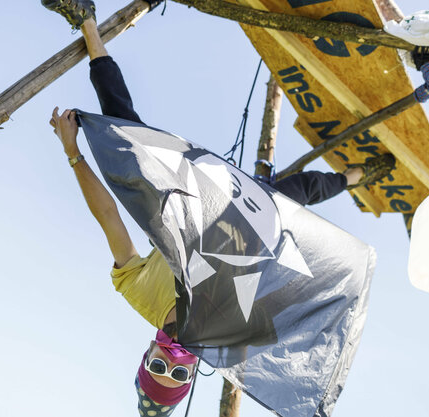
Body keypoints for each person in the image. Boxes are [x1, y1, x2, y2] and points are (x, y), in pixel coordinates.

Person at [42, 1, 395, 415]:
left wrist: (73, 153)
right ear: (192, 376)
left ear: (147, 353)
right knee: (298, 192)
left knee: (124, 127)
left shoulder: (140, 295)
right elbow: (286, 311)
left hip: (196, 196)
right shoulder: (226, 339)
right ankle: (355, 177)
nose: (171, 362)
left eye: (158, 366)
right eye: (177, 375)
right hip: (248, 221)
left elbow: (109, 217)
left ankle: (84, 18)